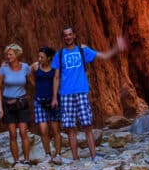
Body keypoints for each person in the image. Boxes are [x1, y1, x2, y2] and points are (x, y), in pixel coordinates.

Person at [52, 27, 126, 159]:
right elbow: (56, 77)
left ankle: (94, 156)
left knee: (87, 125)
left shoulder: (82, 51)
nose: (68, 37)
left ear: (74, 36)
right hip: (65, 94)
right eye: (65, 35)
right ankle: (75, 158)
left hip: (81, 92)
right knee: (70, 128)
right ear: (63, 38)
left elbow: (104, 56)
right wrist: (54, 97)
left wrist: (116, 47)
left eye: (70, 34)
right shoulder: (59, 55)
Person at [0, 44, 32, 165]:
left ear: (17, 54)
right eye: (7, 54)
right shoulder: (3, 69)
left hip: (21, 101)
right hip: (8, 102)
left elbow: (31, 82)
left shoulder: (25, 67)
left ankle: (27, 160)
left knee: (23, 131)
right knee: (12, 133)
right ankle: (16, 160)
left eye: (10, 54)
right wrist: (0, 105)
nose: (8, 56)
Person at [30, 46, 62, 163]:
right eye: (38, 56)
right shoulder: (35, 66)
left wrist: (55, 96)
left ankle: (58, 154)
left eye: (42, 57)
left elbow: (58, 79)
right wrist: (35, 85)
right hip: (39, 100)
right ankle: (48, 154)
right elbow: (26, 73)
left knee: (55, 129)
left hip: (53, 100)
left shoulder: (54, 67)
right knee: (43, 130)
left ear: (48, 58)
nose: (39, 59)